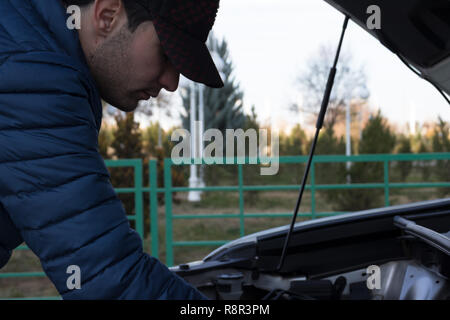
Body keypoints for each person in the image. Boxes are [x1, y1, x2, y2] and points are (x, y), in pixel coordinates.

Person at [0, 0, 223, 299]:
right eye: (165, 53)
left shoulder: (25, 40)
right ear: (107, 16)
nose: (171, 82)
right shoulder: (35, 75)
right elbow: (109, 282)